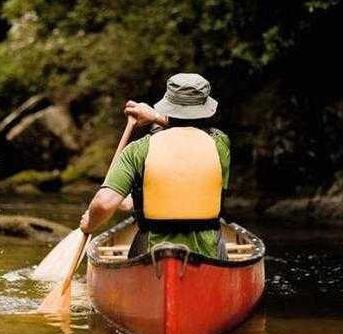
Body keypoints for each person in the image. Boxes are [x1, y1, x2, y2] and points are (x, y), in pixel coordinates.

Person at [80, 73, 230, 259]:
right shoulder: (220, 143)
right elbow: (192, 131)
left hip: (152, 251)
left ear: (167, 106)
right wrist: (154, 117)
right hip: (209, 250)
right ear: (206, 110)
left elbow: (103, 203)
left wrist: (89, 225)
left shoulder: (138, 149)